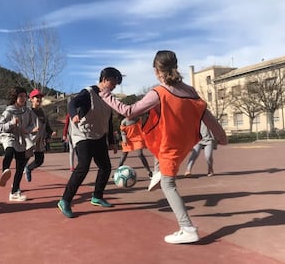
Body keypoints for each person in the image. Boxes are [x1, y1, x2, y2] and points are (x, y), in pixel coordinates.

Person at [99, 50, 227, 244]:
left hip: (170, 145)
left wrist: (106, 95)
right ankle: (158, 171)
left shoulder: (159, 92)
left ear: (155, 70)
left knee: (168, 185)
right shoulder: (191, 91)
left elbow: (129, 111)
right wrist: (221, 136)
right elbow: (205, 114)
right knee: (155, 135)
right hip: (185, 141)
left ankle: (188, 228)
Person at [57, 67, 120, 218]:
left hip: (98, 135)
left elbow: (109, 121)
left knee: (105, 167)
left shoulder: (109, 98)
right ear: (104, 80)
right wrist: (73, 115)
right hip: (82, 134)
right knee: (83, 166)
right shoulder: (89, 92)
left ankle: (97, 197)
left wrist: (111, 141)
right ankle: (65, 200)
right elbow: (72, 103)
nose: (114, 86)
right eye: (113, 83)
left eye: (116, 85)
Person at [0, 87, 37, 201]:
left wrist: (28, 130)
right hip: (9, 136)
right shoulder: (8, 111)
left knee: (20, 167)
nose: (23, 98)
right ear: (15, 97)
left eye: (25, 96)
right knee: (9, 151)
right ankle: (5, 171)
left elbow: (31, 124)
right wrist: (11, 123)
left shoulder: (28, 111)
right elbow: (0, 127)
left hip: (21, 139)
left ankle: (14, 192)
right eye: (20, 96)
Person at [23, 89, 56, 182]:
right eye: (36, 97)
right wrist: (31, 130)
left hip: (40, 141)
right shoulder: (28, 112)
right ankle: (15, 186)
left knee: (40, 160)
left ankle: (28, 168)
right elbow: (23, 126)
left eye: (40, 97)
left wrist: (50, 132)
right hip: (30, 141)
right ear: (31, 99)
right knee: (22, 163)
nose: (39, 99)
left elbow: (47, 126)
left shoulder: (43, 113)